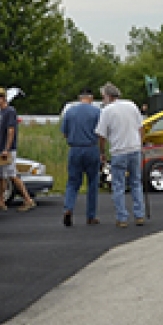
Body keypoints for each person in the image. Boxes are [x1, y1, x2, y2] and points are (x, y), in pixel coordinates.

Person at [95, 82, 145, 228]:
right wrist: (140, 144)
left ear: (108, 96)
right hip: (134, 148)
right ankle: (139, 215)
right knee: (136, 182)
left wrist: (102, 152)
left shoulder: (107, 111)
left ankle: (122, 217)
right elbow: (141, 127)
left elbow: (101, 135)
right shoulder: (131, 105)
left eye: (103, 97)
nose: (103, 100)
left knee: (118, 185)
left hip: (119, 151)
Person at [60, 87, 101, 227]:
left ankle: (68, 208)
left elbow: (64, 133)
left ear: (79, 97)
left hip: (75, 149)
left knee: (72, 182)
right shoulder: (97, 112)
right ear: (91, 98)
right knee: (92, 182)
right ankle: (91, 216)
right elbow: (101, 133)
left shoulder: (70, 112)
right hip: (91, 148)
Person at [0, 88, 35, 211]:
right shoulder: (0, 113)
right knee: (0, 176)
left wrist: (7, 149)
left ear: (4, 98)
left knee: (12, 174)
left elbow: (11, 131)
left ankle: (28, 200)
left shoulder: (10, 111)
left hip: (7, 149)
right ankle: (1, 201)